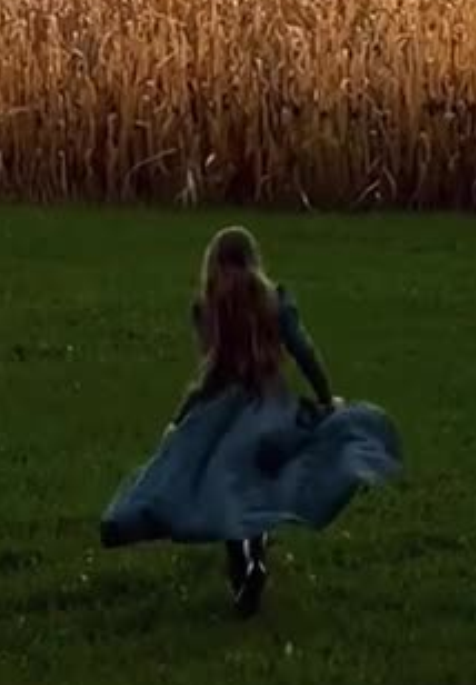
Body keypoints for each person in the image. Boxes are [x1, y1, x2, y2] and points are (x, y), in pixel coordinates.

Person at [100, 225, 402, 616]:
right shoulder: (275, 302)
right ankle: (256, 552)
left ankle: (243, 567)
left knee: (223, 489)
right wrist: (328, 400)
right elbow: (305, 354)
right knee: (260, 485)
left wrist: (180, 418)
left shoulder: (206, 307)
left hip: (222, 415)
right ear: (254, 260)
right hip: (272, 409)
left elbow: (210, 374)